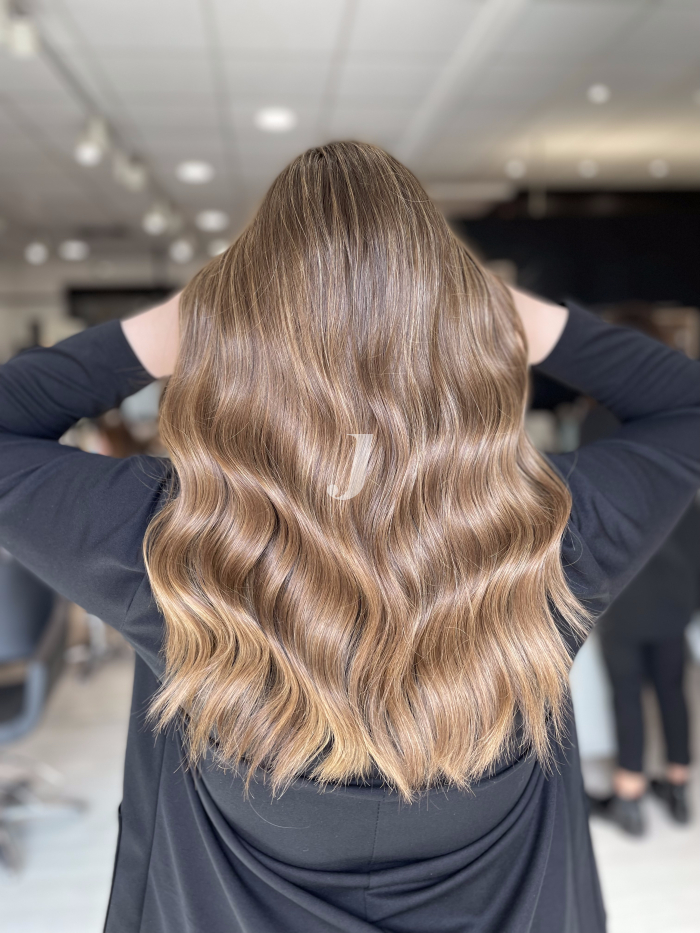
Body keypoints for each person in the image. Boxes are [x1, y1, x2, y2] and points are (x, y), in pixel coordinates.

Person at [0, 141, 698, 933]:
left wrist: (172, 327)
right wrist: (521, 318)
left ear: (240, 338)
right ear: (459, 334)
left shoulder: (171, 539)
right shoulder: (549, 533)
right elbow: (685, 405)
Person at [579, 310, 700, 836]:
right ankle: (677, 786)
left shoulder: (600, 417)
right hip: (680, 579)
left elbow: (587, 501)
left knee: (626, 687)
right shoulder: (680, 412)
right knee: (671, 686)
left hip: (626, 580)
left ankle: (629, 796)